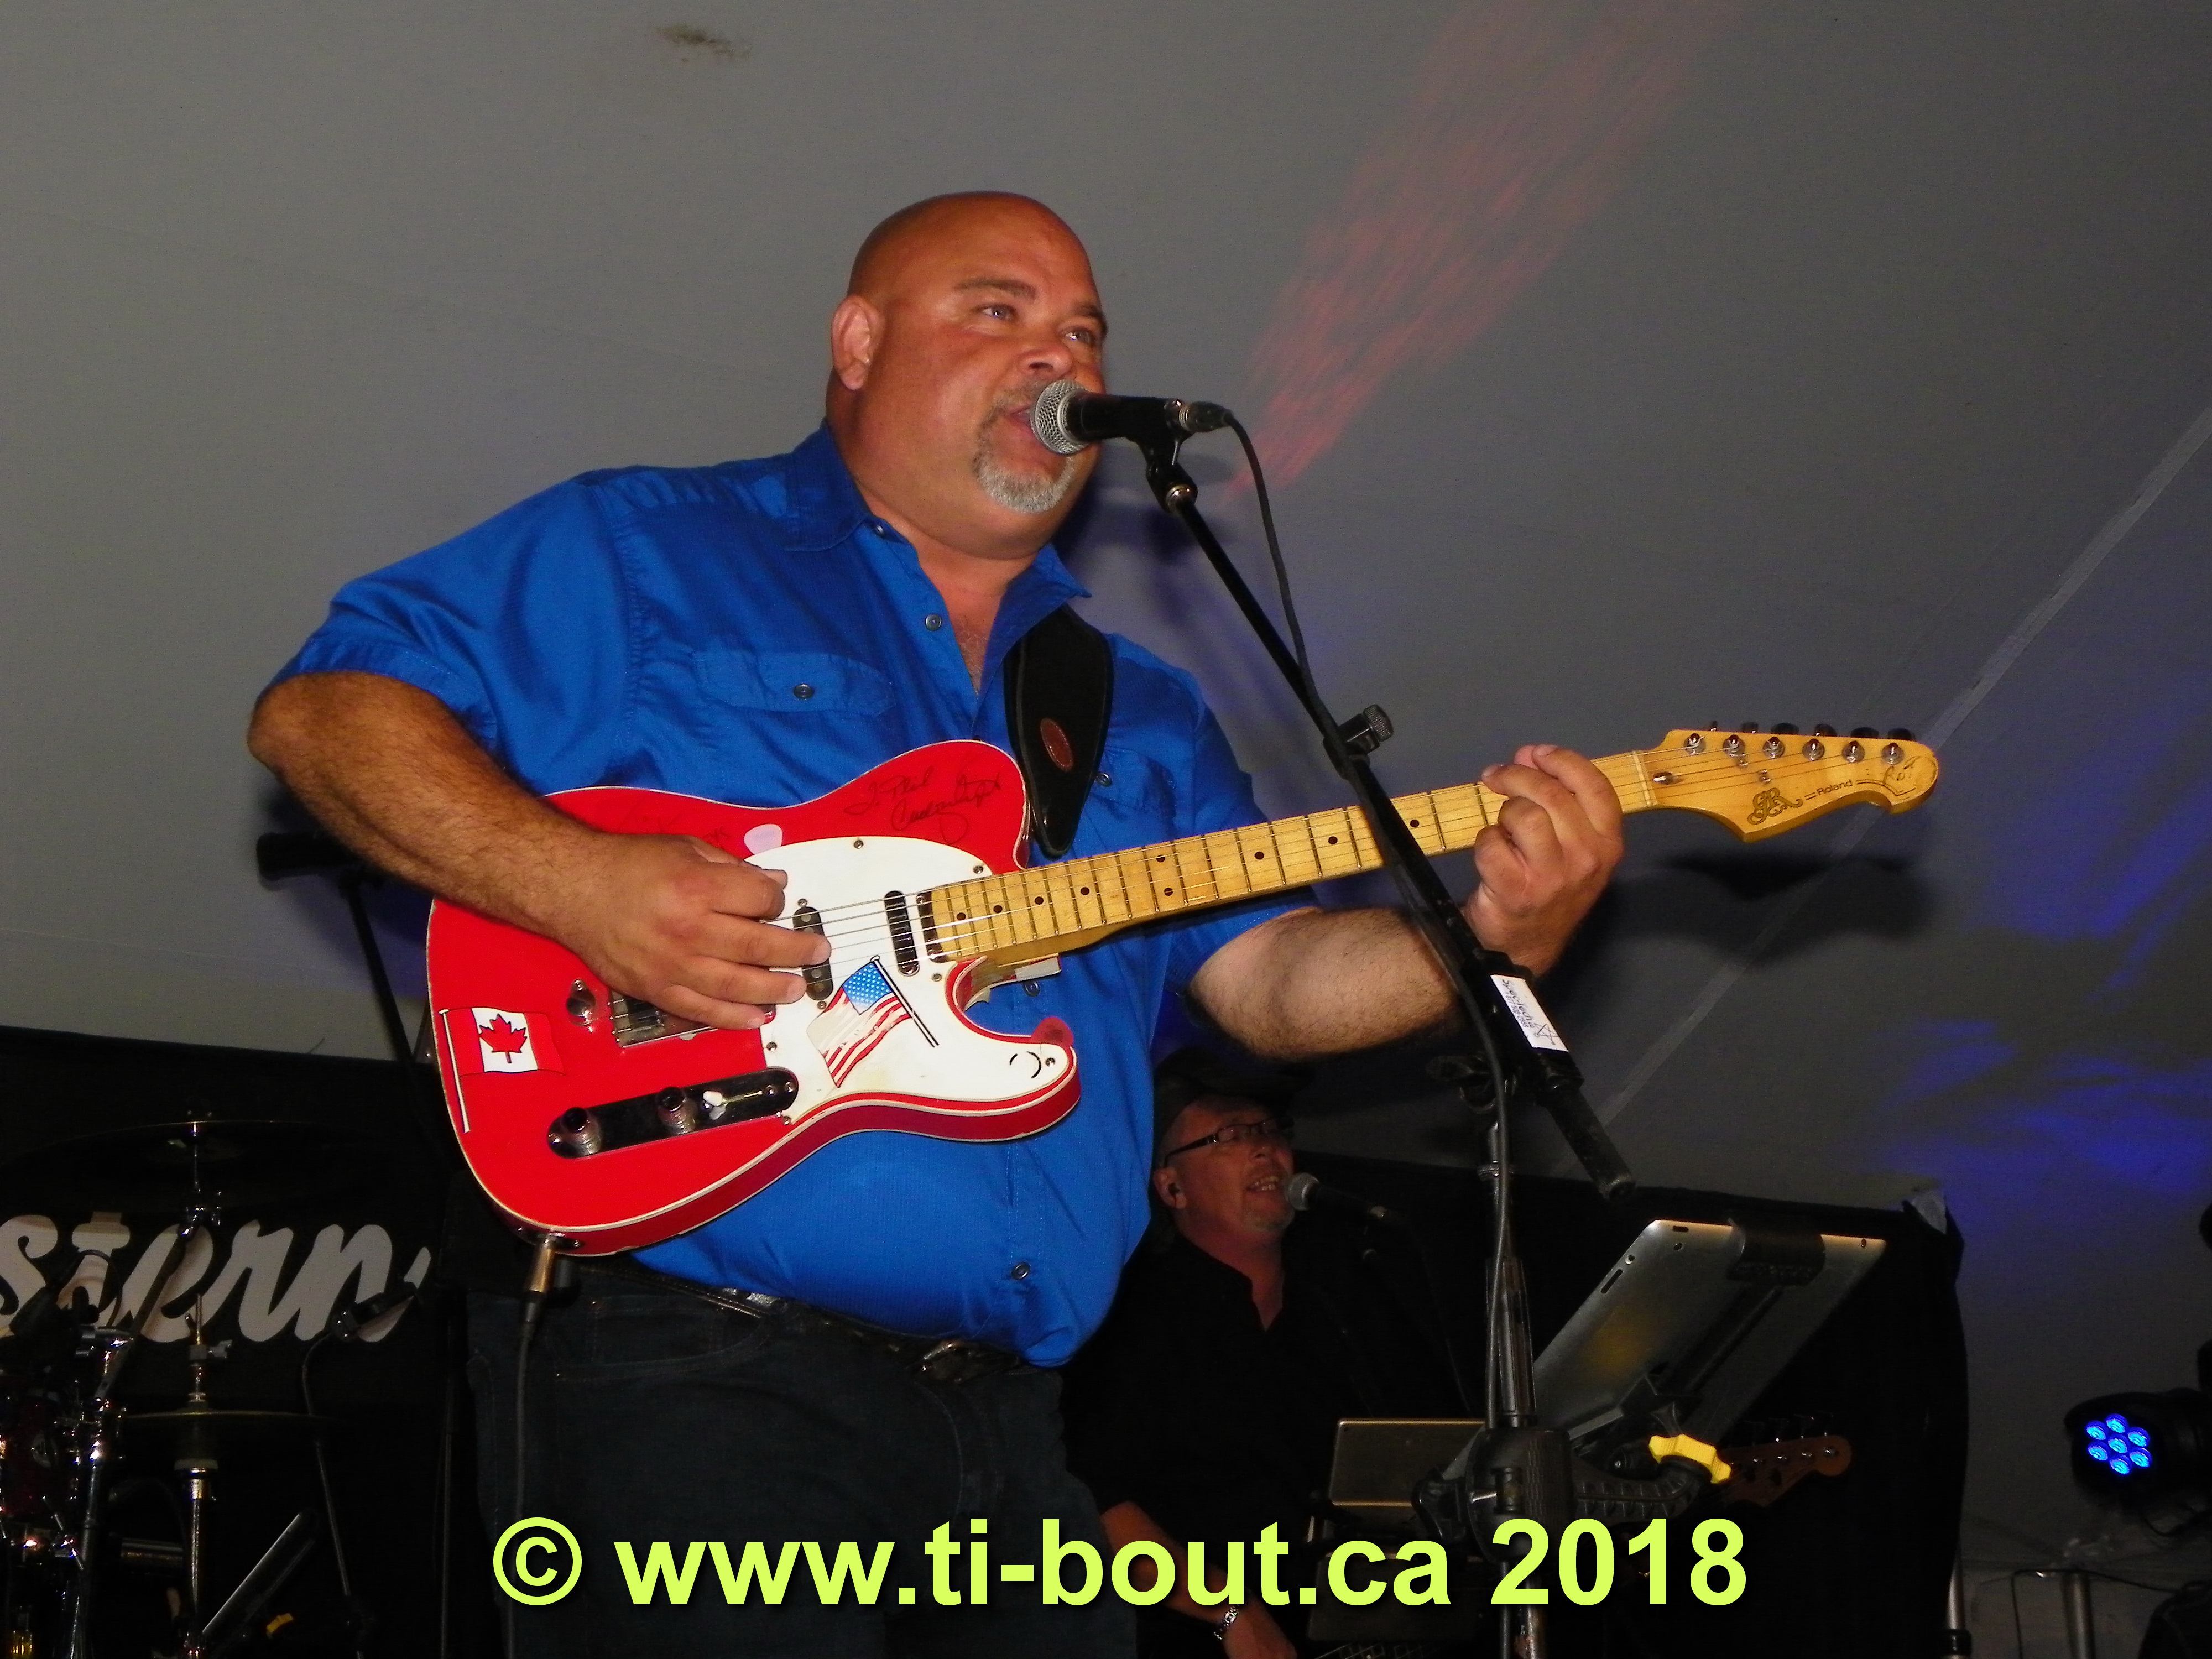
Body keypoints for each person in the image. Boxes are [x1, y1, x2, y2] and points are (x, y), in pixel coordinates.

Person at [247, 191, 1623, 1656]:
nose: (1058, 354)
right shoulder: (652, 547)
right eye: (996, 310)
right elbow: (327, 714)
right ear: (857, 342)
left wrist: (1489, 938)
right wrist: (576, 884)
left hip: (1015, 1433)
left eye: (1083, 330)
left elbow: (1273, 981)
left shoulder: (1136, 711)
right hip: (695, 1367)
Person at [1063, 1050, 1466, 1658]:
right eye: (1229, 1135)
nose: (1262, 1148)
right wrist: (1229, 1611)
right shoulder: (1131, 1319)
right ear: (1172, 1187)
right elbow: (1092, 1497)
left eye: (1269, 1131)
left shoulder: (1344, 1301)